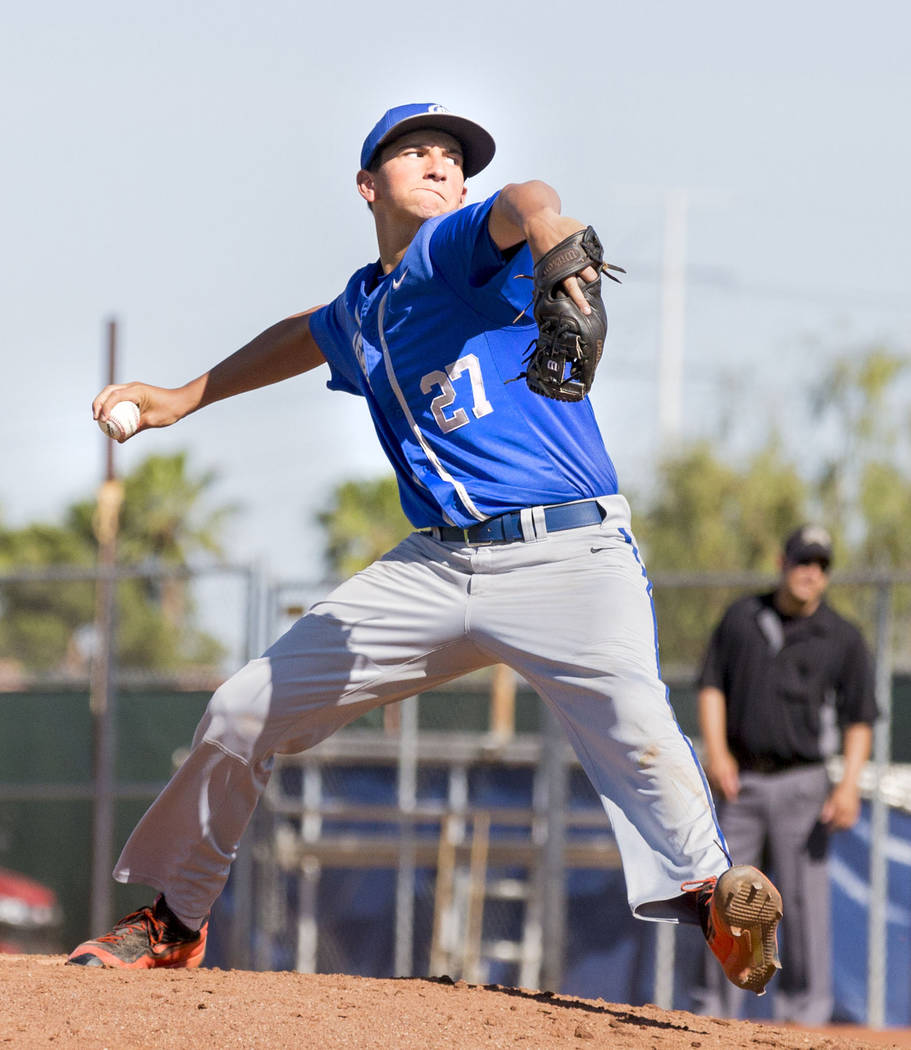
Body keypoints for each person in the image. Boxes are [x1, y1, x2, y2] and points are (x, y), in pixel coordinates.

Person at [69, 102, 782, 993]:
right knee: (243, 708)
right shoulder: (367, 304)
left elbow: (523, 199)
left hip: (567, 556)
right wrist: (182, 395)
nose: (441, 164)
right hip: (437, 566)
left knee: (638, 727)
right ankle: (175, 919)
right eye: (416, 151)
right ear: (368, 186)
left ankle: (717, 897)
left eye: (453, 156)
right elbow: (306, 331)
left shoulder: (453, 252)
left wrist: (554, 230)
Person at [692, 524, 877, 1023]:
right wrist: (717, 752)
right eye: (802, 562)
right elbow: (711, 686)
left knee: (801, 903)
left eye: (820, 566)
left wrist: (848, 785)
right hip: (742, 780)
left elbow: (861, 719)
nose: (810, 573)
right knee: (726, 898)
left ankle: (806, 1017)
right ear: (782, 562)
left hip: (804, 786)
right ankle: (714, 1013)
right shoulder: (742, 618)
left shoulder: (842, 637)